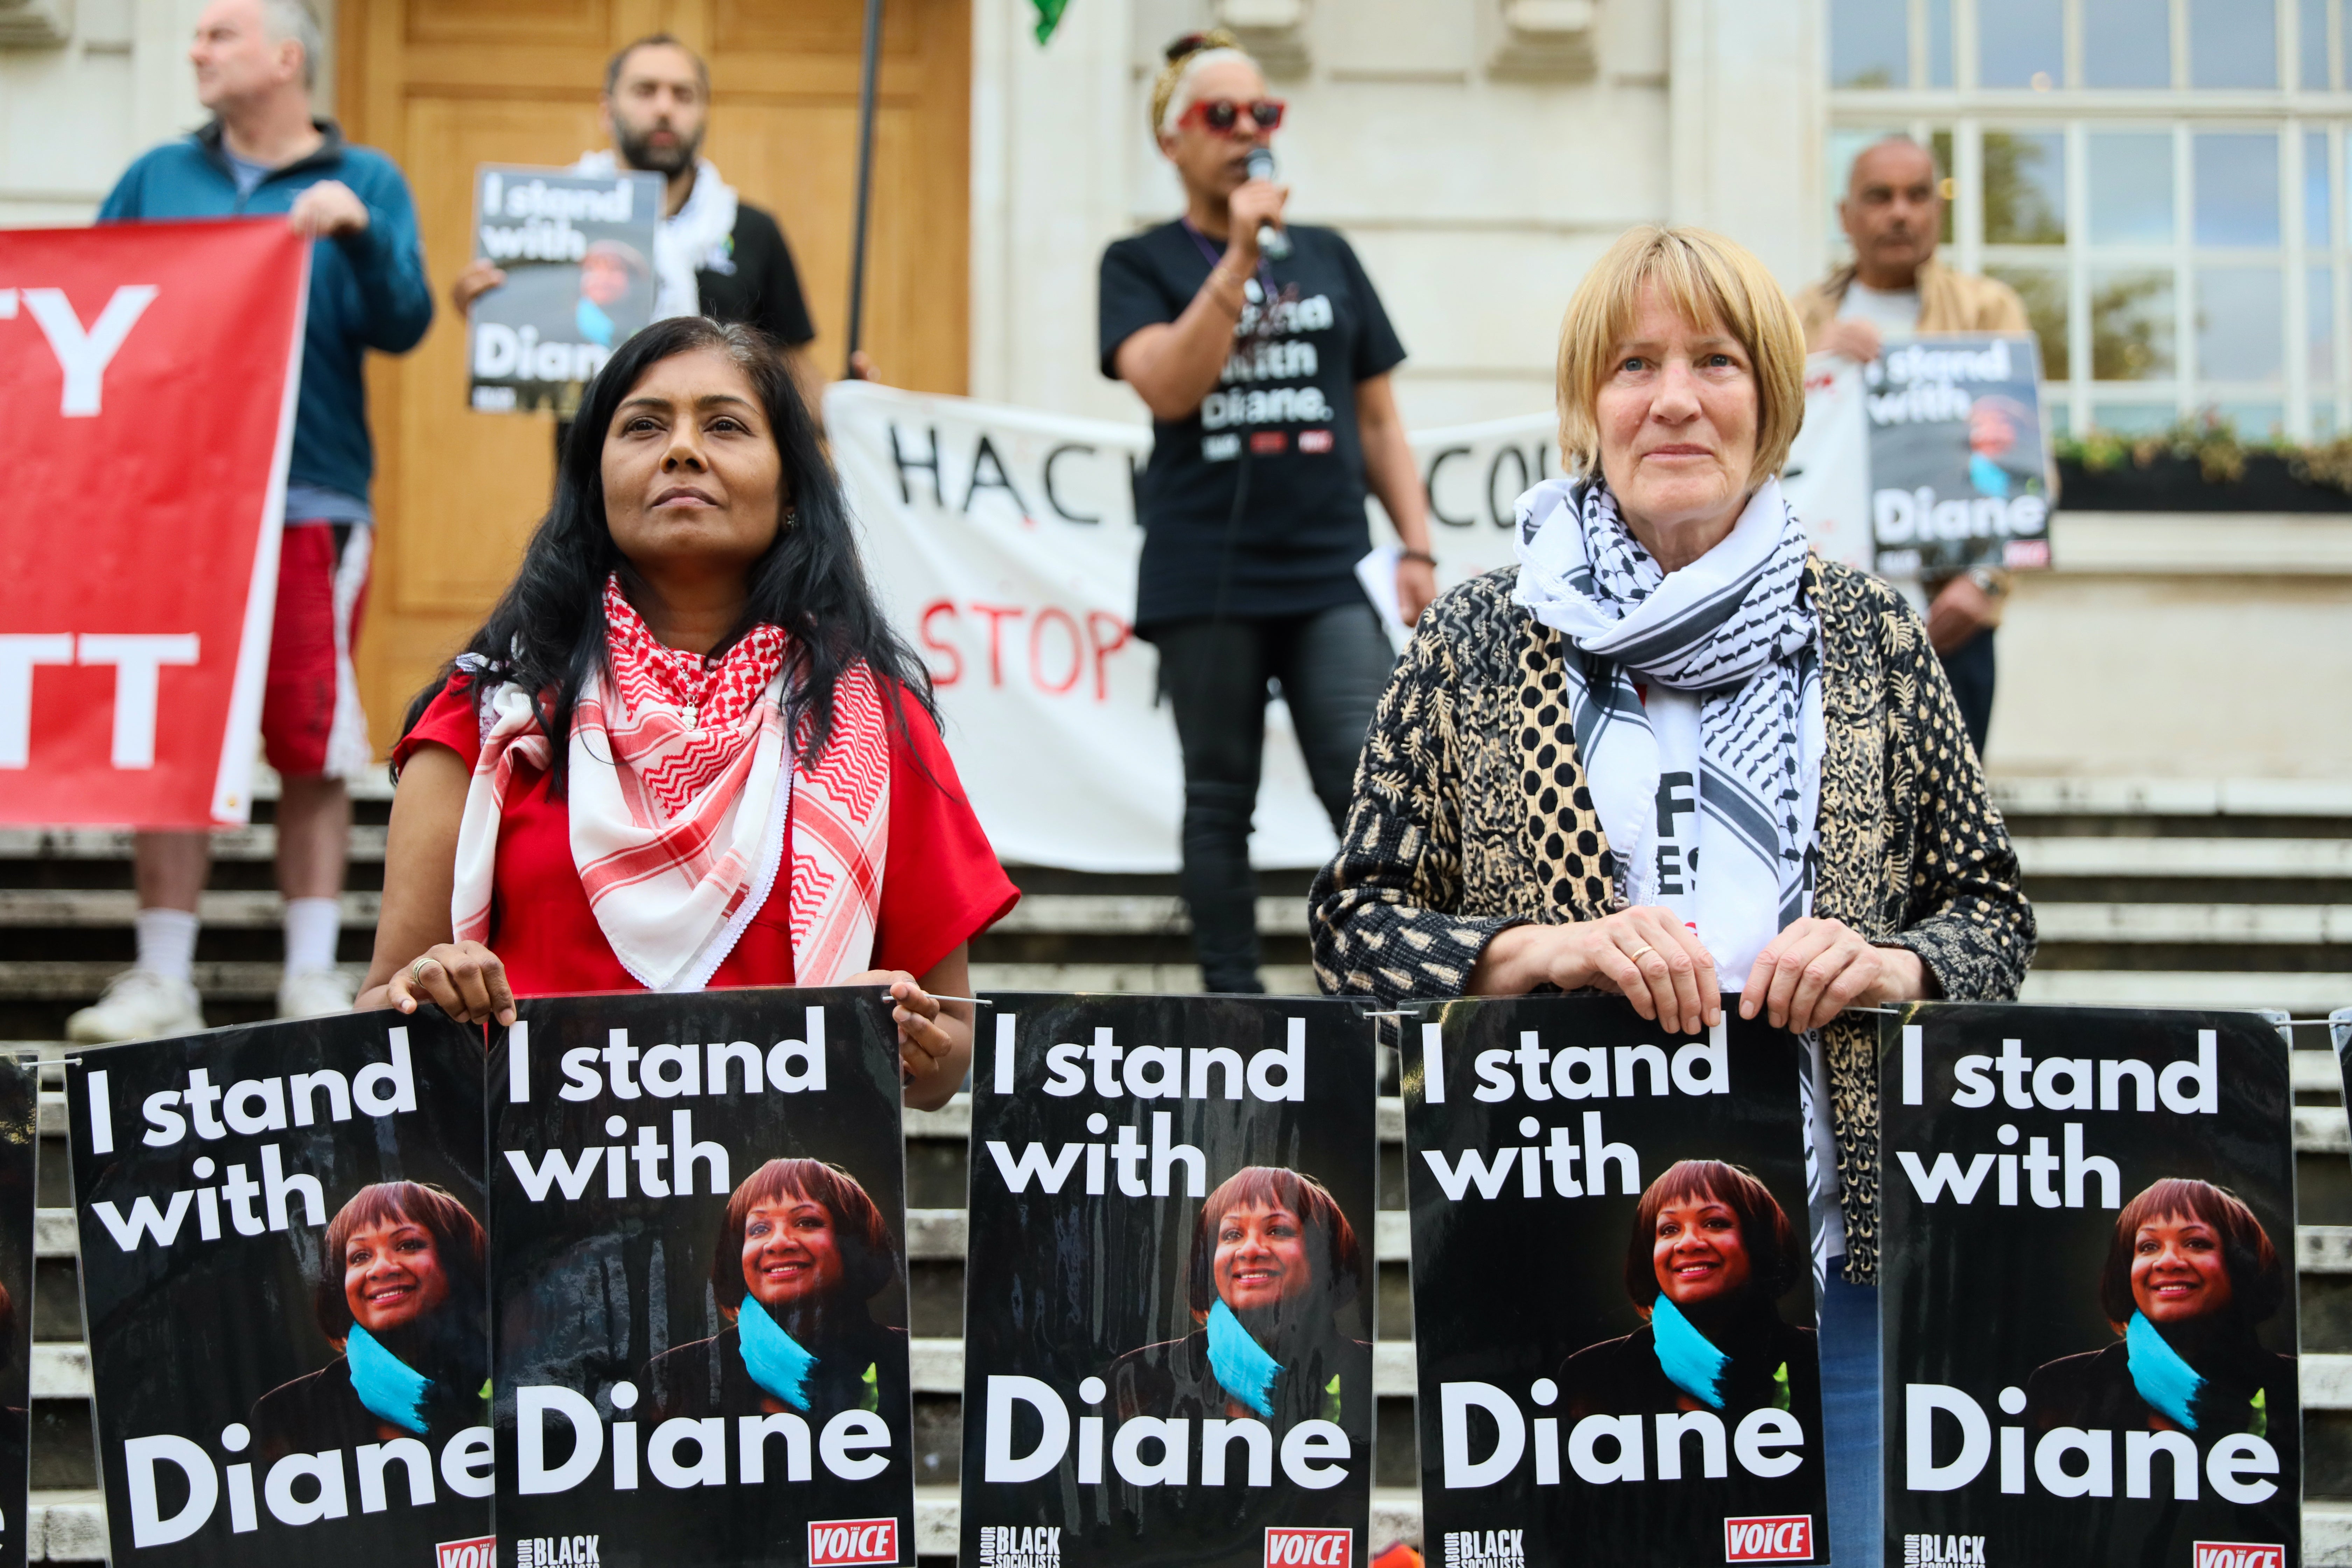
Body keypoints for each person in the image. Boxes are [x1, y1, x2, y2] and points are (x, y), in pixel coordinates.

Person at [1309, 224, 2036, 1565]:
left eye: (1712, 360)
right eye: (1631, 364)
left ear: (1770, 397)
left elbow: (1989, 913)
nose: (1672, 398)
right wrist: (1536, 950)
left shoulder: (1870, 633)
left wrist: (1894, 969)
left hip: (1840, 1268)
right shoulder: (1476, 632)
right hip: (1556, 1273)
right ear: (1588, 404)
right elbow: (1352, 931)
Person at [358, 316, 1015, 1111]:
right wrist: (428, 990)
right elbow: (376, 1016)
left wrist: (902, 1030)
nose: (682, 450)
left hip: (781, 1215)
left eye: (726, 425)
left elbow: (950, 1057)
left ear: (794, 489)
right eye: (643, 426)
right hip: (534, 1200)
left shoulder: (873, 724)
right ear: (593, 482)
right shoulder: (487, 716)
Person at [68, 0, 433, 1043]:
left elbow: (405, 319)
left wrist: (358, 239)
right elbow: (97, 307)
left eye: (218, 34)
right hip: (173, 499)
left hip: (309, 496)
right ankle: (162, 976)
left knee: (313, 738)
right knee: (172, 727)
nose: (196, 48)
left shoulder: (366, 181)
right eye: (193, 36)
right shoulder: (153, 179)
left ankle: (311, 973)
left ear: (286, 58)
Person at [1100, 31, 1438, 995]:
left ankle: (1390, 998)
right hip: (1205, 569)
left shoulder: (1329, 256)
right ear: (1171, 140)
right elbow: (1168, 385)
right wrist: (1241, 255)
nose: (1247, 130)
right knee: (1220, 801)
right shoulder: (1138, 263)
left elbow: (1376, 413)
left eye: (1264, 113)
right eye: (1222, 115)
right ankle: (1235, 1015)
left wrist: (1414, 543)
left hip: (1331, 565)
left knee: (1371, 790)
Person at [447, 35, 863, 407]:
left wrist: (853, 411)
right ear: (607, 111)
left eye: (683, 95)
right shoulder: (554, 222)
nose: (665, 108)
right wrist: (497, 312)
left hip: (724, 472)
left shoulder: (752, 229)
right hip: (596, 478)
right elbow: (530, 350)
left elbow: (793, 372)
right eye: (646, 91)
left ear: (704, 114)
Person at [1794, 136, 2036, 756]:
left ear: (1938, 211)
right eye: (1880, 197)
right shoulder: (1795, 319)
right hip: (1821, 623)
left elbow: (2023, 462)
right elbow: (1758, 446)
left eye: (1917, 195)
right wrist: (1813, 362)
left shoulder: (1988, 308)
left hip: (1950, 623)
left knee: (1946, 831)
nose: (1900, 212)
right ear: (1846, 215)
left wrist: (1985, 583)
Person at [2026, 1178, 2295, 1452]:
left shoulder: (2297, 1387)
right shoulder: (2062, 1386)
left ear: (2241, 1266)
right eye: (2148, 1247)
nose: (2167, 1262)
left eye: (2196, 1243)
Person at [643, 1157, 908, 1427]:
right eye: (759, 1229)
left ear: (852, 1244)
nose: (778, 1243)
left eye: (806, 1222)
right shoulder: (675, 1375)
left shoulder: (907, 1360)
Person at [1110, 1166, 1370, 1437]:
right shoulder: (1140, 1377)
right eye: (1232, 1235)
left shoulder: (1378, 1376)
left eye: (1277, 1230)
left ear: (1324, 1256)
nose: (1250, 1250)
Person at [1559, 1161, 1818, 1426]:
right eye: (1669, 1229)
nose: (1688, 1243)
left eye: (1715, 1223)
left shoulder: (1818, 1358)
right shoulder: (1590, 1374)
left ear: (1760, 1243)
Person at [250, 1181, 488, 1460]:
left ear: (457, 1263)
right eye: (360, 1256)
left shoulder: (511, 1377)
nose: (381, 1269)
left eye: (408, 1245)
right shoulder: (284, 1414)